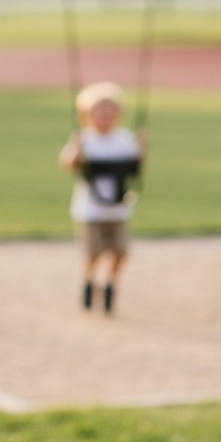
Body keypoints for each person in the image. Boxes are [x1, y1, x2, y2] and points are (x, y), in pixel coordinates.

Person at [59, 81, 144, 313]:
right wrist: (76, 151)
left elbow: (136, 167)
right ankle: (89, 279)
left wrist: (142, 149)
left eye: (110, 111)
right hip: (90, 210)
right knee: (93, 252)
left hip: (118, 208)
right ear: (87, 115)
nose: (105, 116)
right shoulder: (84, 139)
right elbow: (68, 163)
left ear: (118, 114)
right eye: (99, 111)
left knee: (121, 251)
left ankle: (110, 283)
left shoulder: (124, 139)